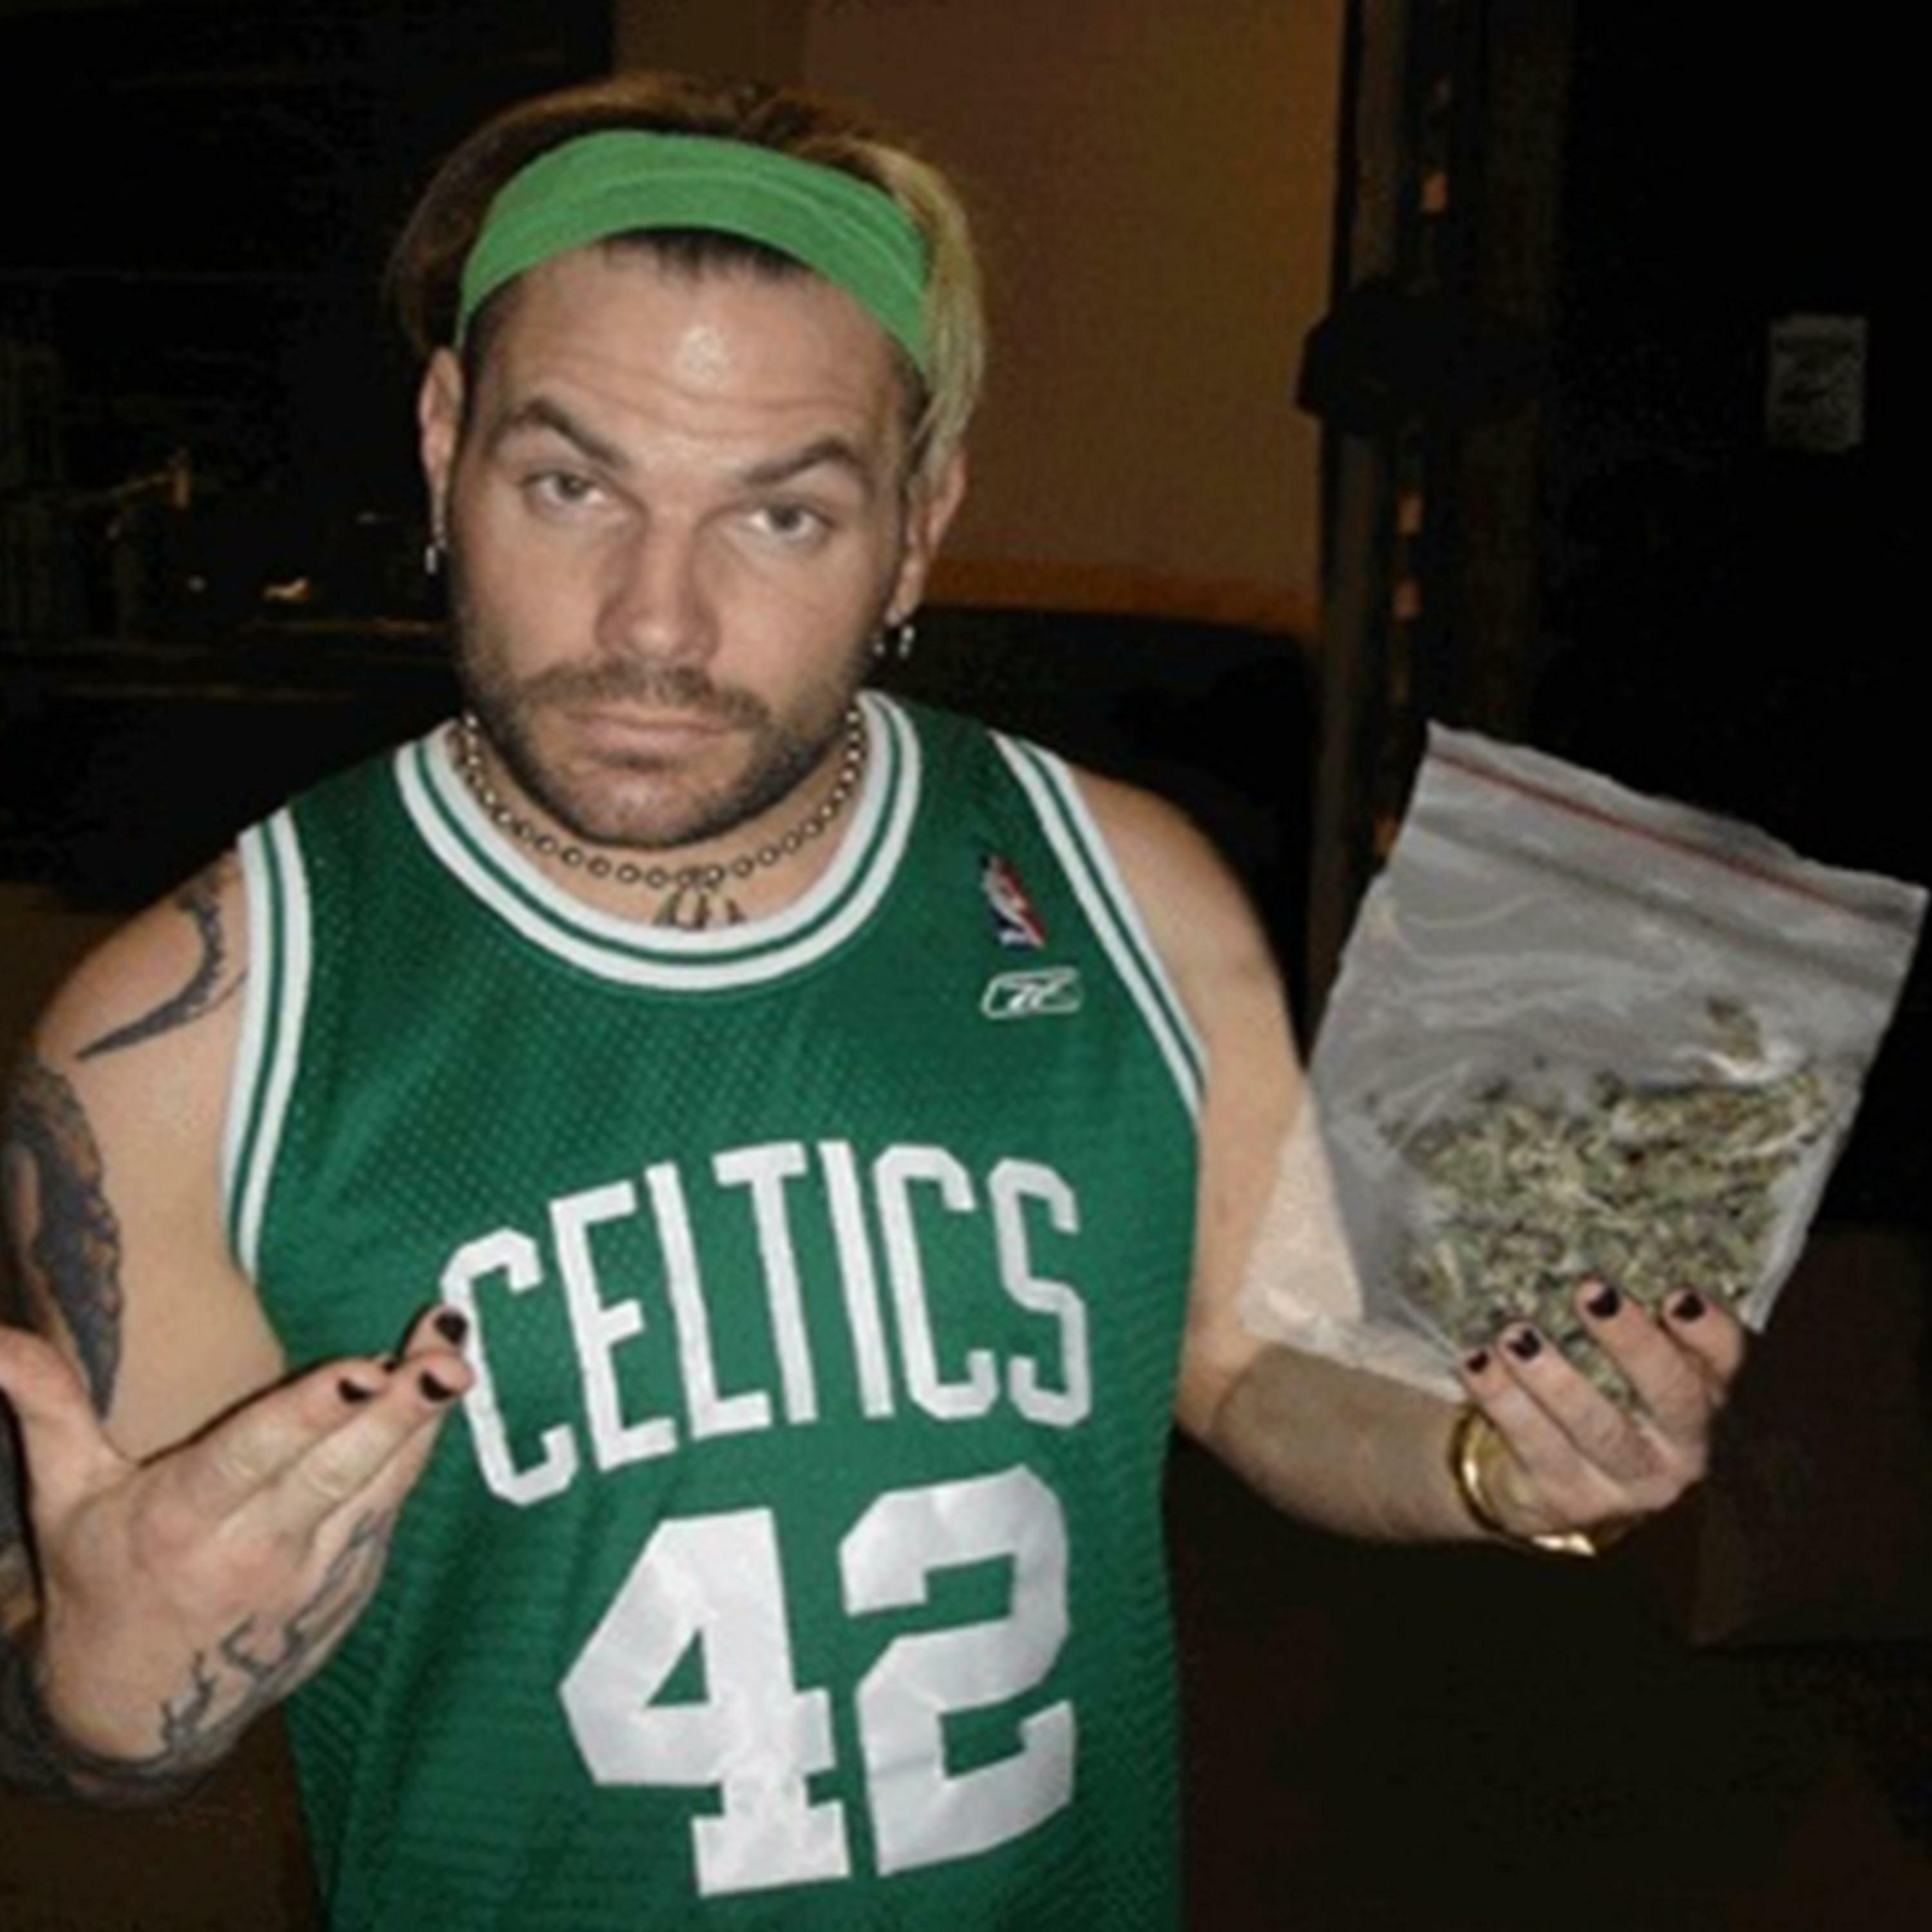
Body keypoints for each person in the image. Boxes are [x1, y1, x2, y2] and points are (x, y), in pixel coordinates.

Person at [0, 70, 1741, 1930]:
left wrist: (1495, 1457)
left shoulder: (1122, 891)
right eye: (573, 485)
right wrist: (101, 1685)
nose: (653, 624)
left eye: (781, 518)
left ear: (919, 522)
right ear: (445, 445)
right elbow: (99, 1708)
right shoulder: (190, 1038)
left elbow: (1248, 1366)